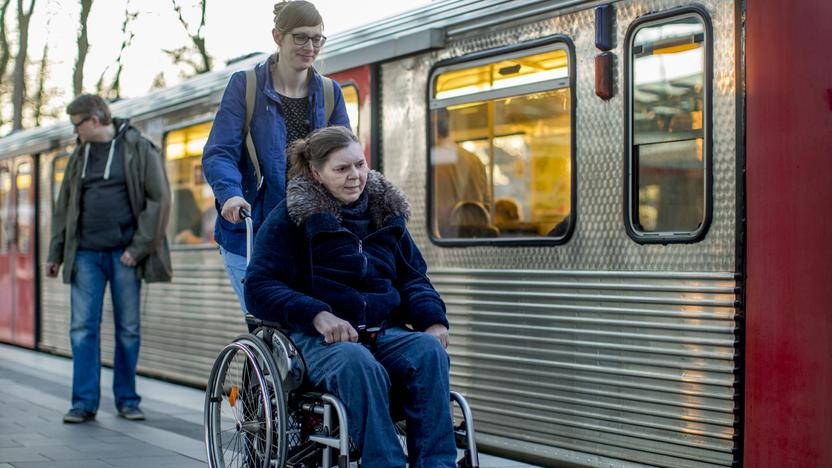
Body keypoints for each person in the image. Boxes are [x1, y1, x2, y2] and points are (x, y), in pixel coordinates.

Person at [245, 126, 457, 468]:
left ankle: (437, 464)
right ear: (316, 173)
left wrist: (432, 320)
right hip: (319, 339)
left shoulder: (386, 213)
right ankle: (385, 463)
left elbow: (414, 278)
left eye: (360, 165)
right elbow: (258, 285)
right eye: (341, 169)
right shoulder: (292, 217)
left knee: (429, 351)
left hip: (382, 330)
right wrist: (316, 313)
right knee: (355, 362)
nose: (355, 176)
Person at [202, 0, 350, 313]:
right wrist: (229, 195)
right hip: (253, 229)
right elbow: (219, 152)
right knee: (270, 322)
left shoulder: (329, 92)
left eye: (316, 38)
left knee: (314, 324)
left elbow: (343, 154)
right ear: (277, 36)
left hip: (309, 231)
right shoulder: (245, 86)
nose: (309, 46)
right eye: (300, 37)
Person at [46, 94, 172, 424]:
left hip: (124, 255)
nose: (75, 132)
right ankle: (83, 403)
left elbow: (158, 200)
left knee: (128, 329)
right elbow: (64, 208)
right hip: (85, 254)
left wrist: (139, 248)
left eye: (78, 125)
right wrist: (56, 252)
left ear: (95, 120)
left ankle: (127, 399)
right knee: (82, 329)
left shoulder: (137, 148)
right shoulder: (79, 156)